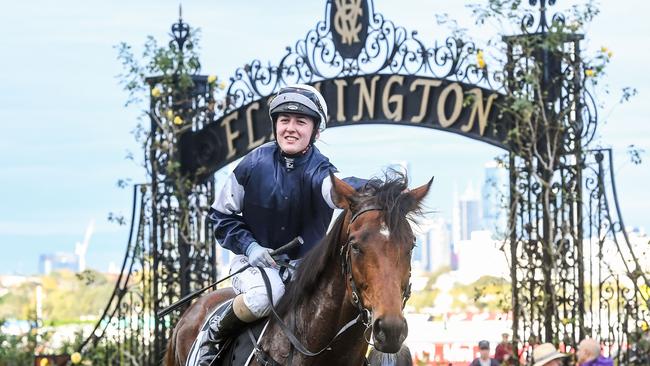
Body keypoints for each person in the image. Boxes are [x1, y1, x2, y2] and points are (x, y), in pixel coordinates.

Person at [187, 84, 365, 365]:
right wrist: (251, 246)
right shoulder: (251, 165)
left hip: (305, 269)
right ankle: (213, 332)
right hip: (255, 265)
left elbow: (340, 188)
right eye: (285, 120)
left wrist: (378, 190)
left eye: (300, 122)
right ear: (276, 125)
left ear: (315, 131)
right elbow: (220, 217)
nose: (291, 128)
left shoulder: (320, 171)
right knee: (263, 297)